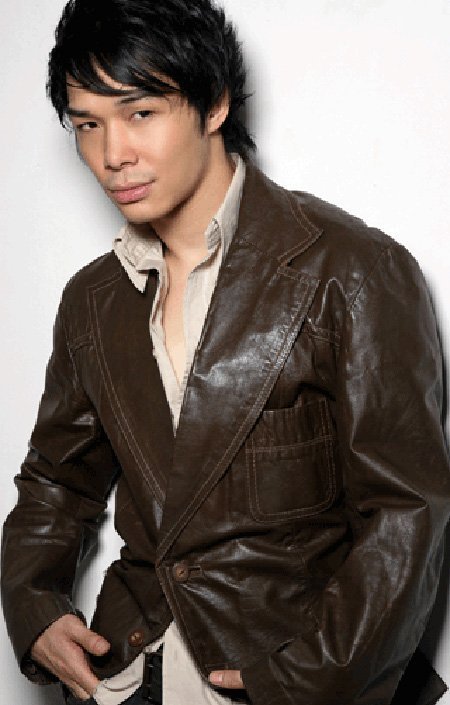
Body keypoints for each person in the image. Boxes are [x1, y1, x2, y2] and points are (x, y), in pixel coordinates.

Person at [1, 0, 449, 704]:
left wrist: (313, 676)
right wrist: (34, 609)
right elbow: (57, 480)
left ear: (214, 104)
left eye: (140, 113)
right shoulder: (93, 299)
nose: (113, 154)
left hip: (288, 671)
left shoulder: (353, 270)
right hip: (129, 669)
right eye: (88, 124)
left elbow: (407, 510)